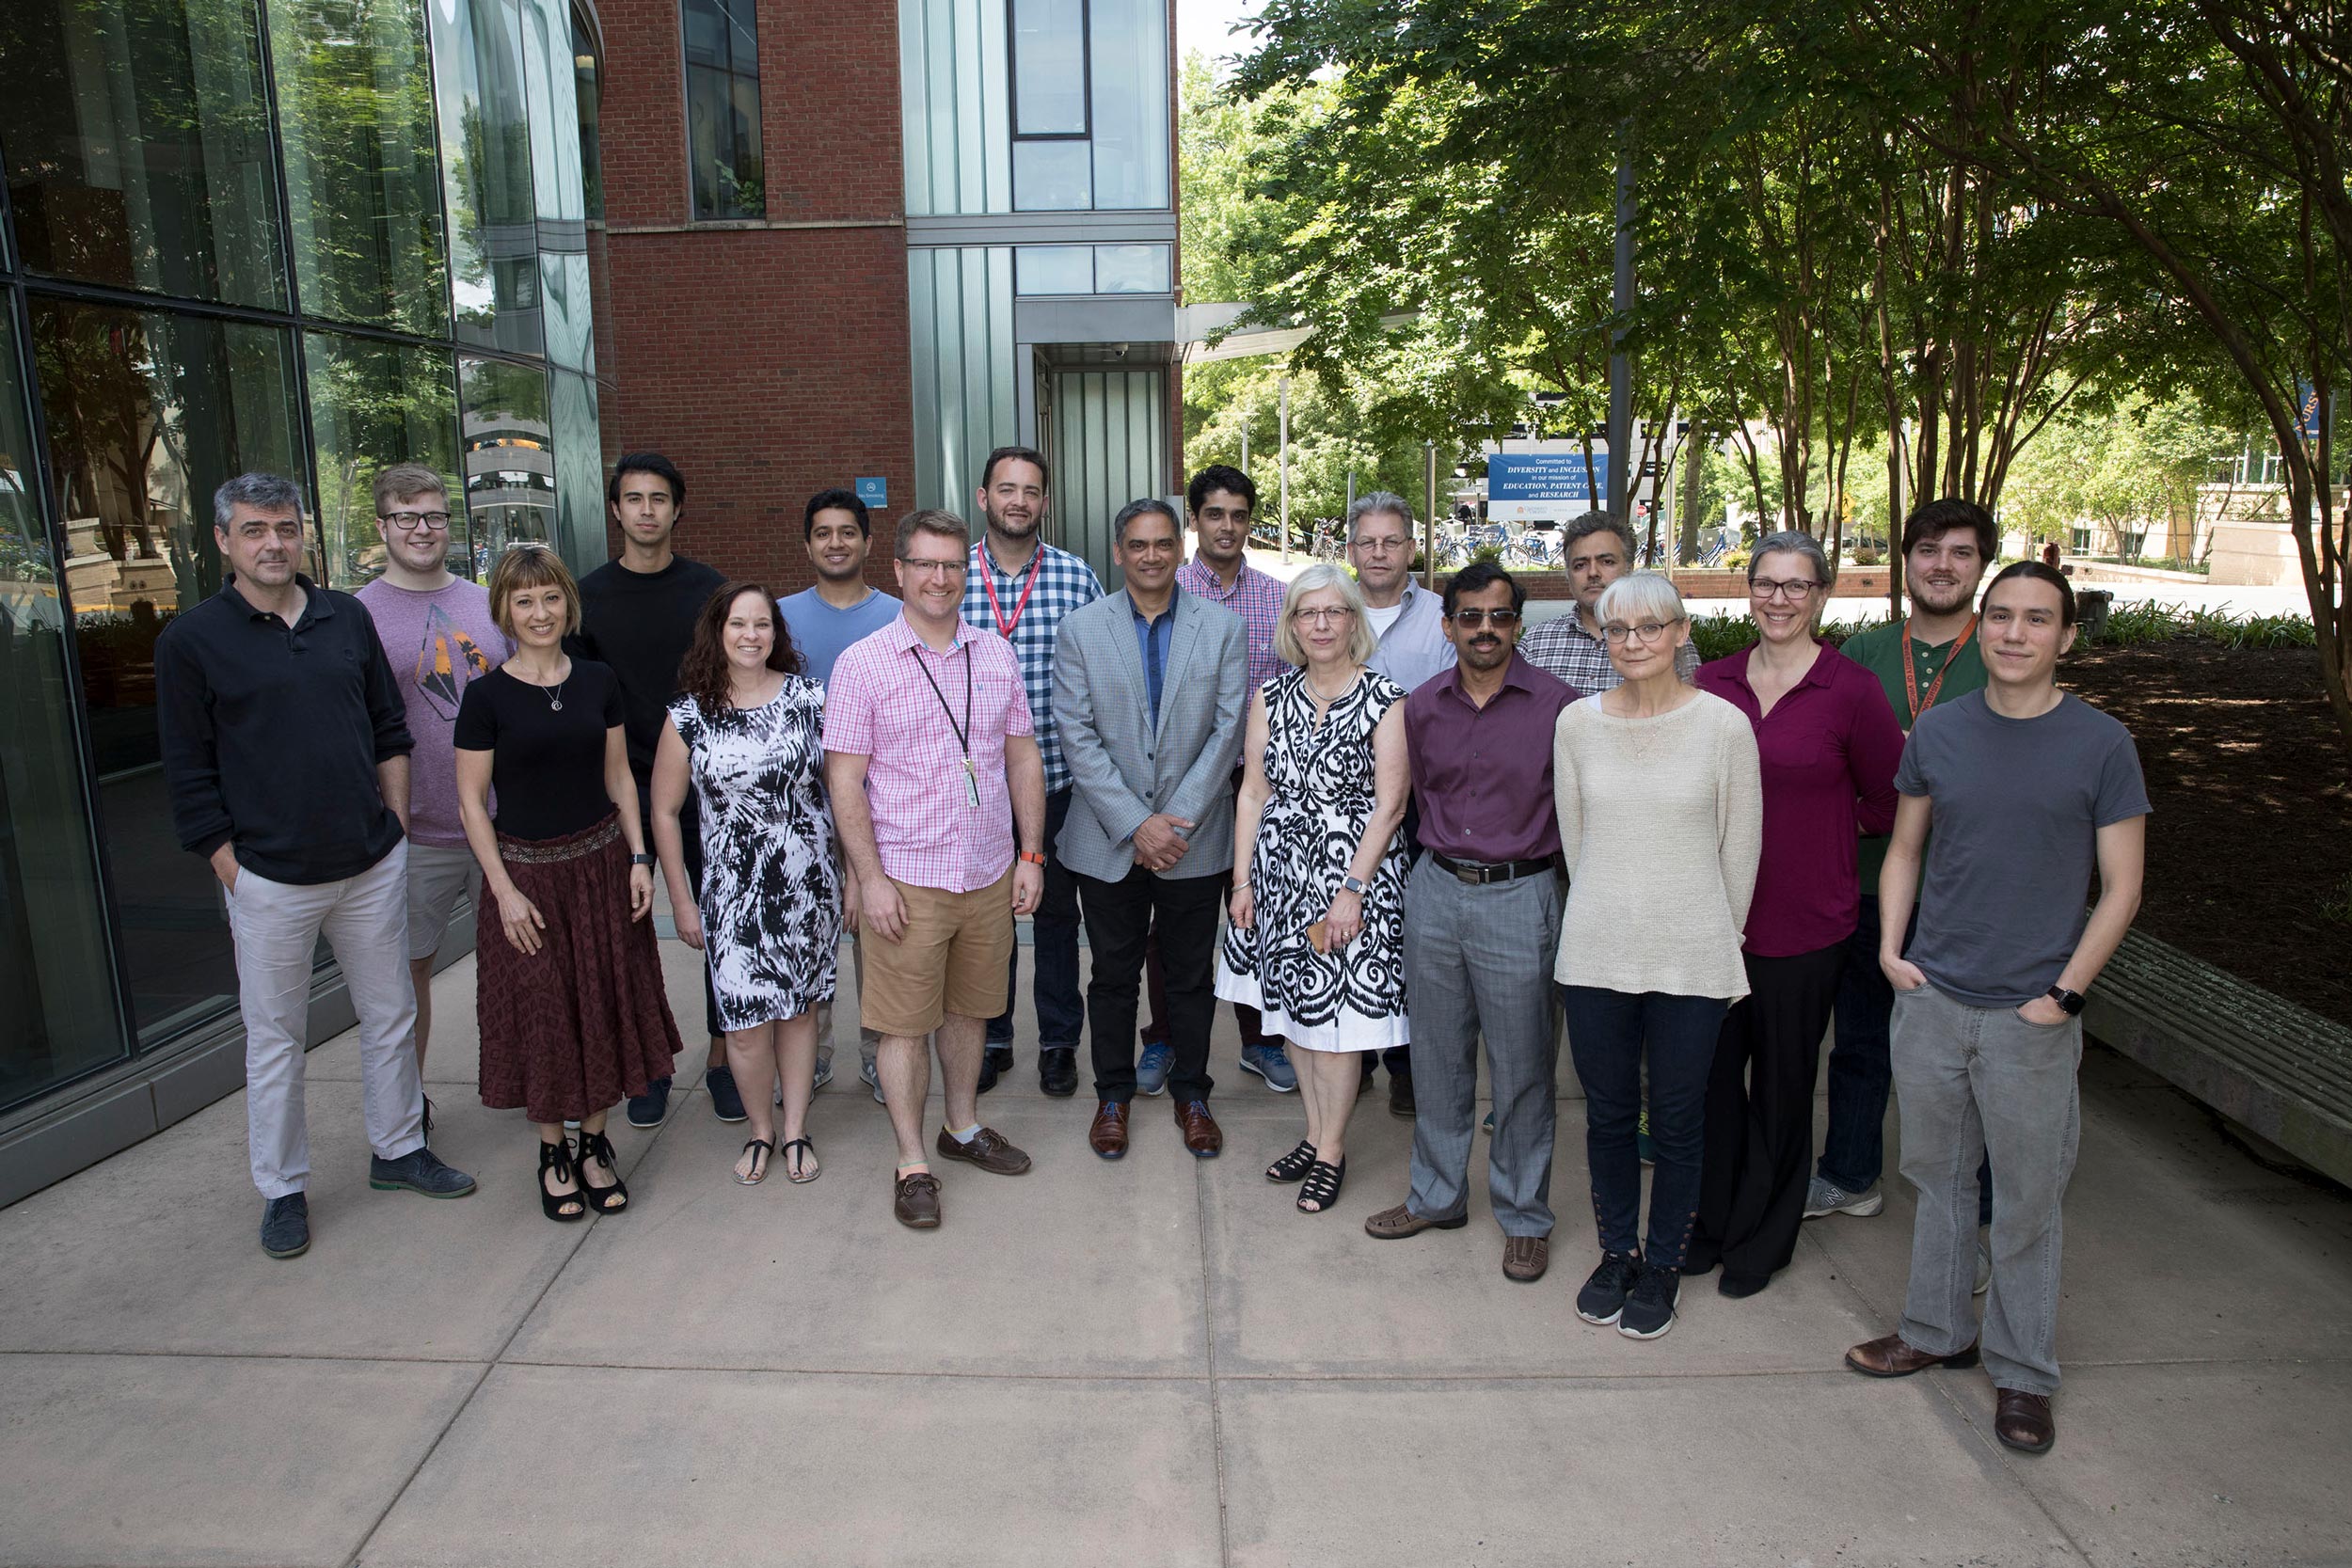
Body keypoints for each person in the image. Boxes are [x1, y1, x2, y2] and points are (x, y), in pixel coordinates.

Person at [1847, 562, 2148, 1458]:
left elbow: (2123, 887)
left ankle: (2023, 1372)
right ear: (1982, 628)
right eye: (2002, 617)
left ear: (2066, 636)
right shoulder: (1940, 730)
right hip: (1935, 997)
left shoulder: (2101, 743)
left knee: (2024, 1202)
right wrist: (1894, 951)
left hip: (2030, 1015)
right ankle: (1935, 1330)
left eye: (2037, 619)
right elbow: (1904, 848)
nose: (2016, 633)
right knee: (1938, 1183)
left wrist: (2062, 996)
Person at [156, 472, 475, 1260]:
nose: (274, 543)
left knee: (392, 1014)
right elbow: (187, 771)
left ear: (305, 535)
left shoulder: (345, 616)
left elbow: (386, 727)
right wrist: (232, 866)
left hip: (369, 861)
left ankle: (399, 1149)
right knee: (274, 1040)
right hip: (268, 876)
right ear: (226, 540)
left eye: (287, 528)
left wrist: (394, 827)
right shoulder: (192, 640)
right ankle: (283, 1189)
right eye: (257, 530)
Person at [1688, 533, 1902, 1297]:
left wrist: (1819, 837)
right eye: (1766, 584)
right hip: (1713, 920)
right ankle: (1708, 1222)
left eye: (1796, 586)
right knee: (1710, 1084)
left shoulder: (1850, 689)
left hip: (1806, 925)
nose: (1779, 599)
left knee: (1782, 1088)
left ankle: (1763, 1236)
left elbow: (1886, 802)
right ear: (1748, 590)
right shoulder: (1710, 683)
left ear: (1822, 595)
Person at [1553, 571, 1761, 1341]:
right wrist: (1614, 910)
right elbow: (1577, 843)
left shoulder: (1724, 726)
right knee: (1607, 1116)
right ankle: (1618, 1251)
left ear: (1680, 633)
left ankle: (1664, 1262)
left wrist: (1711, 936)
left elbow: (1739, 852)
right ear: (1602, 638)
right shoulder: (1576, 724)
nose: (1633, 642)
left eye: (1650, 627)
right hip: (1598, 950)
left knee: (1677, 1121)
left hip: (1692, 956)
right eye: (1617, 629)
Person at [825, 509, 1045, 1229]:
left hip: (984, 873)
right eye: (925, 564)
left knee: (970, 1011)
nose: (940, 578)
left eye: (952, 564)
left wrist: (1030, 855)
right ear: (899, 571)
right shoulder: (864, 664)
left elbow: (1021, 759)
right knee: (900, 1027)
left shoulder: (995, 654)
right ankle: (912, 1160)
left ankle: (962, 1127)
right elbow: (845, 783)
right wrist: (871, 877)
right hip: (907, 879)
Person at [1363, 562, 1578, 1283]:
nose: (1485, 629)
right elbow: (1402, 802)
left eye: (1500, 616)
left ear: (1518, 623)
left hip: (1521, 894)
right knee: (1436, 1057)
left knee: (1521, 1066)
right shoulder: (1420, 706)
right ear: (1448, 623)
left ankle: (1524, 1216)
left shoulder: (1559, 706)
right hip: (1435, 889)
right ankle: (1437, 1194)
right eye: (1470, 616)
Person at [453, 545, 680, 1223]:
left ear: (566, 603)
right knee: (547, 1014)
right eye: (524, 600)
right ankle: (552, 1151)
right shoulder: (485, 696)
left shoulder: (596, 681)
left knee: (603, 1005)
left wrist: (641, 858)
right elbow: (473, 803)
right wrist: (503, 890)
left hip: (601, 865)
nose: (540, 611)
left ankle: (594, 1144)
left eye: (550, 597)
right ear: (504, 611)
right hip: (526, 878)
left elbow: (619, 777)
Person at [1811, 499, 1995, 1236]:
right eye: (1927, 550)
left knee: (1969, 1064)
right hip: (1864, 881)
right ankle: (1851, 1174)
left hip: (1966, 896)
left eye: (1960, 552)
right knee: (1859, 1039)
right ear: (1906, 560)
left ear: (1981, 565)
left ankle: (1975, 1216)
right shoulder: (1864, 653)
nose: (1941, 565)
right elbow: (1831, 765)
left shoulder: (2003, 649)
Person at [1055, 499, 1248, 1159]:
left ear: (1180, 546)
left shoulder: (1222, 628)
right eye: (1138, 544)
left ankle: (1192, 1093)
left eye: (1164, 543)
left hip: (1195, 839)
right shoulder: (1081, 628)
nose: (1151, 555)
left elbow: (1229, 732)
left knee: (1191, 976)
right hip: (1107, 838)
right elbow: (1076, 735)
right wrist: (1137, 824)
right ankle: (1113, 1095)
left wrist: (1173, 823)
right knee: (1111, 974)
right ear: (1119, 552)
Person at [1216, 563, 1410, 1216]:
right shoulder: (1270, 696)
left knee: (1338, 1024)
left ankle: (1331, 1150)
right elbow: (1252, 791)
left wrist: (1352, 888)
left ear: (1354, 621)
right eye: (1308, 612)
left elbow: (1391, 805)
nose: (1321, 624)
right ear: (1291, 624)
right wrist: (1242, 880)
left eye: (1335, 611)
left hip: (1351, 878)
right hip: (1279, 879)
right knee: (1295, 1017)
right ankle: (1312, 1130)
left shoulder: (1386, 696)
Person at [652, 583, 841, 1185]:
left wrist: (860, 877)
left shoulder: (812, 701)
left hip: (807, 887)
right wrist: (681, 898)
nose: (751, 635)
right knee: (744, 1023)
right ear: (718, 632)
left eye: (763, 624)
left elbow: (843, 796)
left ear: (776, 634)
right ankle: (760, 1129)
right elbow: (664, 811)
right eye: (738, 623)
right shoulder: (689, 715)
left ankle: (795, 1130)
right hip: (733, 897)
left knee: (801, 1014)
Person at [568, 451, 731, 1129]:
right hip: (621, 791)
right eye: (633, 499)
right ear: (615, 510)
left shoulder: (708, 589)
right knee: (628, 939)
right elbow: (575, 697)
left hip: (707, 784)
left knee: (721, 928)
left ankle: (724, 1059)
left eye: (658, 498)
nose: (645, 510)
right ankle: (650, 1066)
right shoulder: (588, 596)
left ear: (676, 508)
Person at [354, 463, 510, 1127]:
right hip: (416, 833)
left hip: (505, 824)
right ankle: (406, 1108)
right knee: (406, 977)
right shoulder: (357, 614)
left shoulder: (487, 601)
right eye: (406, 516)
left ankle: (530, 1083)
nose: (423, 529)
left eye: (435, 516)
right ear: (383, 526)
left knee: (518, 965)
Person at [1147, 464, 1294, 1093]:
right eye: (1215, 514)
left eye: (1238, 515)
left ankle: (1259, 1040)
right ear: (1195, 520)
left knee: (1254, 910)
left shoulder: (1277, 598)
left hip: (1254, 783)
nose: (1227, 526)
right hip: (1181, 786)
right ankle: (1164, 1039)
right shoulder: (1164, 589)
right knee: (1173, 921)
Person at [960, 446, 1101, 1097]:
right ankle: (991, 1036)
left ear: (1045, 502)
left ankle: (1058, 1041)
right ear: (984, 497)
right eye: (1006, 488)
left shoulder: (1076, 579)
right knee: (989, 919)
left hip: (1062, 784)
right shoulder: (949, 578)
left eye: (1031, 490)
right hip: (977, 787)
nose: (1018, 500)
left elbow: (1107, 675)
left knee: (1055, 919)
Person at [780, 486, 901, 1102]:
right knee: (807, 939)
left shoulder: (897, 615)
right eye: (823, 532)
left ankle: (880, 1056)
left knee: (877, 939)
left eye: (847, 531)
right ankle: (813, 1051)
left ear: (868, 542)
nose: (836, 542)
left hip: (879, 809)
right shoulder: (778, 618)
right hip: (795, 815)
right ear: (807, 544)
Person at [1345, 491, 1450, 1114]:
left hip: (1418, 802)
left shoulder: (1441, 617)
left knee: (1410, 935)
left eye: (1392, 541)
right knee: (1348, 930)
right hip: (1337, 803)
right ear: (1351, 548)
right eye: (1367, 541)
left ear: (1412, 547)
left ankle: (1408, 1063)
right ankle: (1350, 1058)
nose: (1379, 552)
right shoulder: (1328, 609)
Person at [1520, 511, 1702, 691]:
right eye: (1580, 565)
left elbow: (1686, 709)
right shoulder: (1536, 641)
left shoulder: (1665, 640)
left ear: (1629, 568)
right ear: (1568, 575)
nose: (1593, 573)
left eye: (1606, 562)